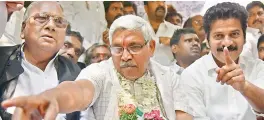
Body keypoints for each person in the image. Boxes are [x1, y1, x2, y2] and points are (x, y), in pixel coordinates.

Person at [2, 15, 193, 120]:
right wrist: (51, 98)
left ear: (151, 47)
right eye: (118, 48)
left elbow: (183, 115)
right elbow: (78, 91)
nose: (125, 56)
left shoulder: (168, 76)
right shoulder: (100, 72)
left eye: (134, 47)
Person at [179, 2, 264, 120]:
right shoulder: (191, 75)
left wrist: (245, 87)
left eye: (234, 34)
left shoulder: (259, 67)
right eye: (219, 36)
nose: (227, 43)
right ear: (207, 41)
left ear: (244, 38)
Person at [0, 1, 81, 119]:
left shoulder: (76, 74)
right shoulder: (2, 60)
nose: (51, 26)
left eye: (59, 22)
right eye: (42, 18)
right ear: (23, 29)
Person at [144, 1, 180, 66]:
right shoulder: (135, 27)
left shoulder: (177, 30)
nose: (161, 4)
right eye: (155, 1)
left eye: (163, 1)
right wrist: (159, 40)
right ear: (146, 8)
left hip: (170, 74)